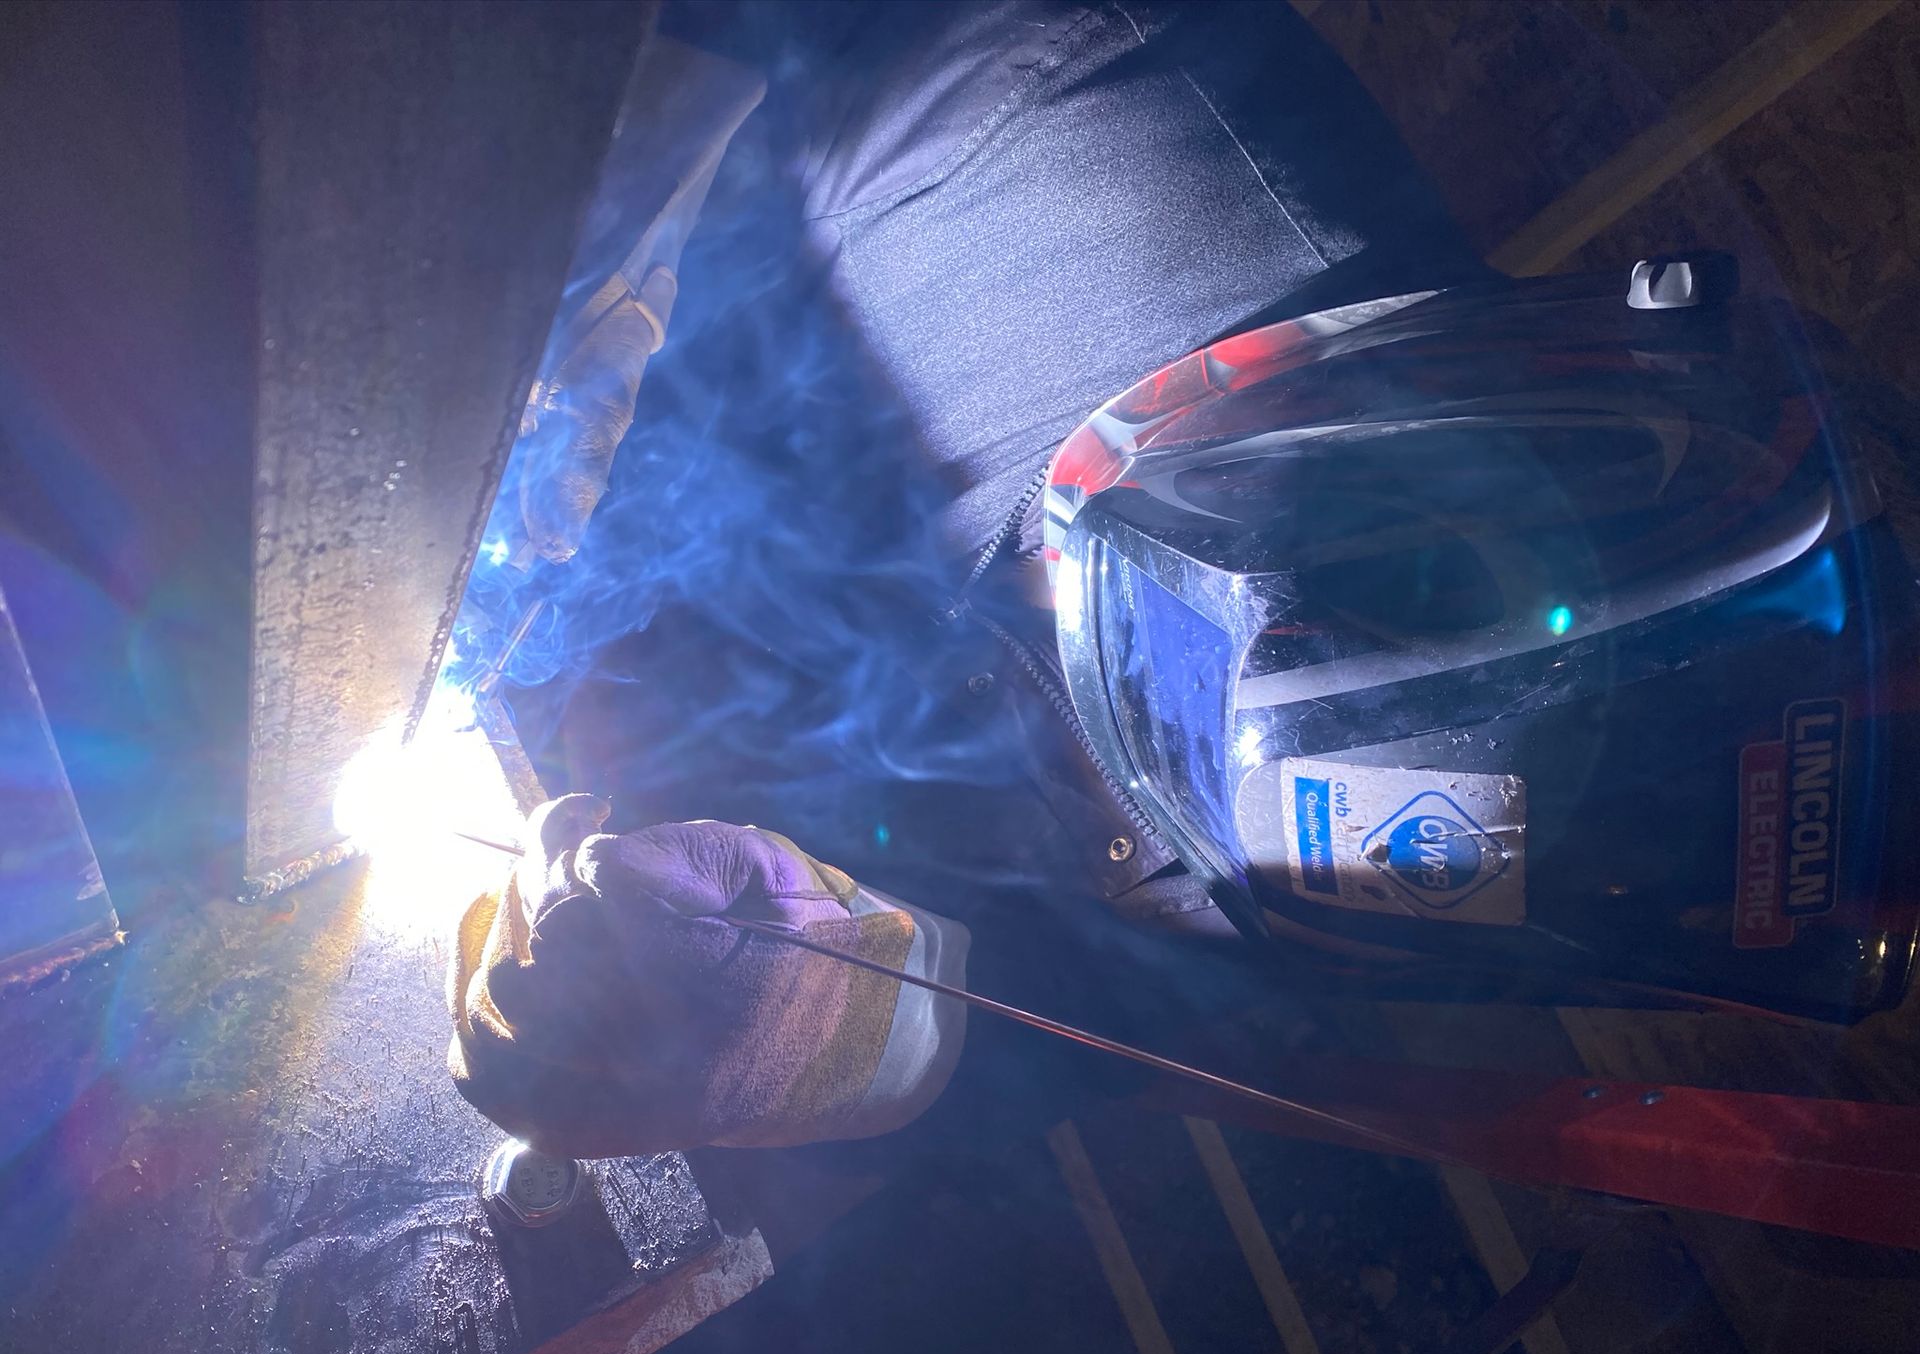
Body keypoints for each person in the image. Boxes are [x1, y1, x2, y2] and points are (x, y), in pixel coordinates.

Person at [447, 0, 1493, 1161]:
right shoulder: (1062, 183)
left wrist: (853, 1032)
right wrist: (615, 210)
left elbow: (1094, 1010)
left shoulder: (1341, 880)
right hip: (997, 146)